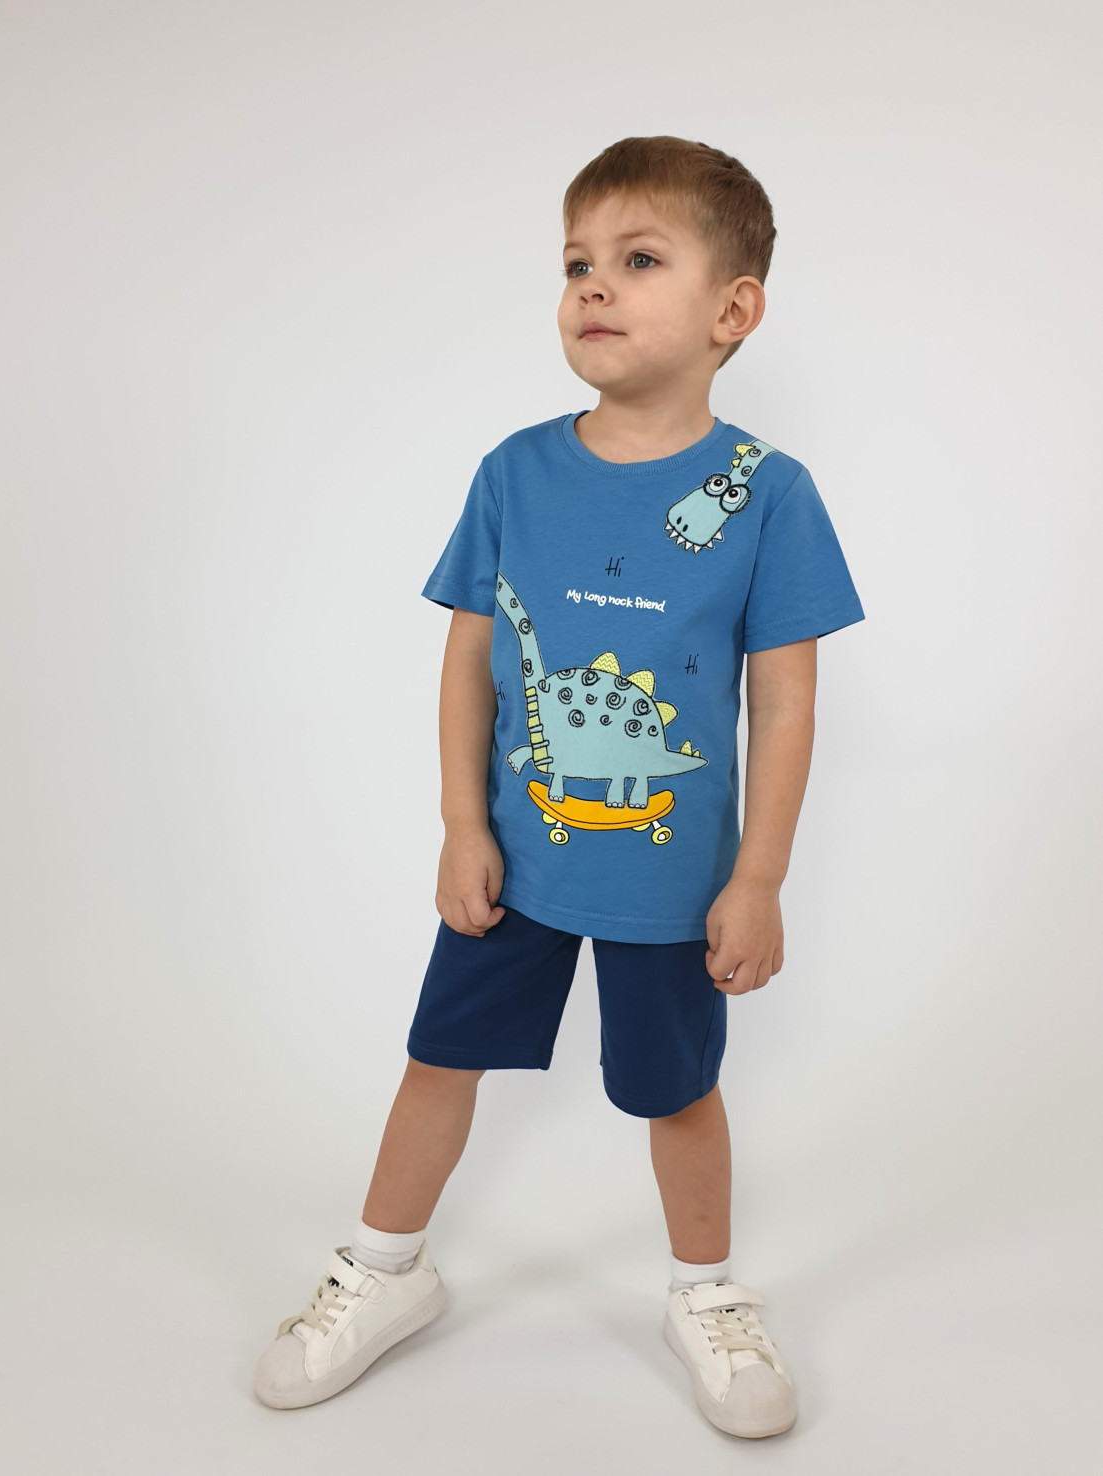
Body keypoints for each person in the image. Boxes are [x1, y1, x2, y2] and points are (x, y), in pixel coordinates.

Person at [254, 134, 865, 1440]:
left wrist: (759, 877)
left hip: (672, 881)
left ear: (733, 310)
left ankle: (704, 1292)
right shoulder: (514, 472)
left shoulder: (767, 493)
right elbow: (469, 657)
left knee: (676, 1091)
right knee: (439, 1058)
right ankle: (384, 1266)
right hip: (517, 860)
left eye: (638, 260)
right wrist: (459, 822)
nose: (592, 285)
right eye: (576, 262)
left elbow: (785, 701)